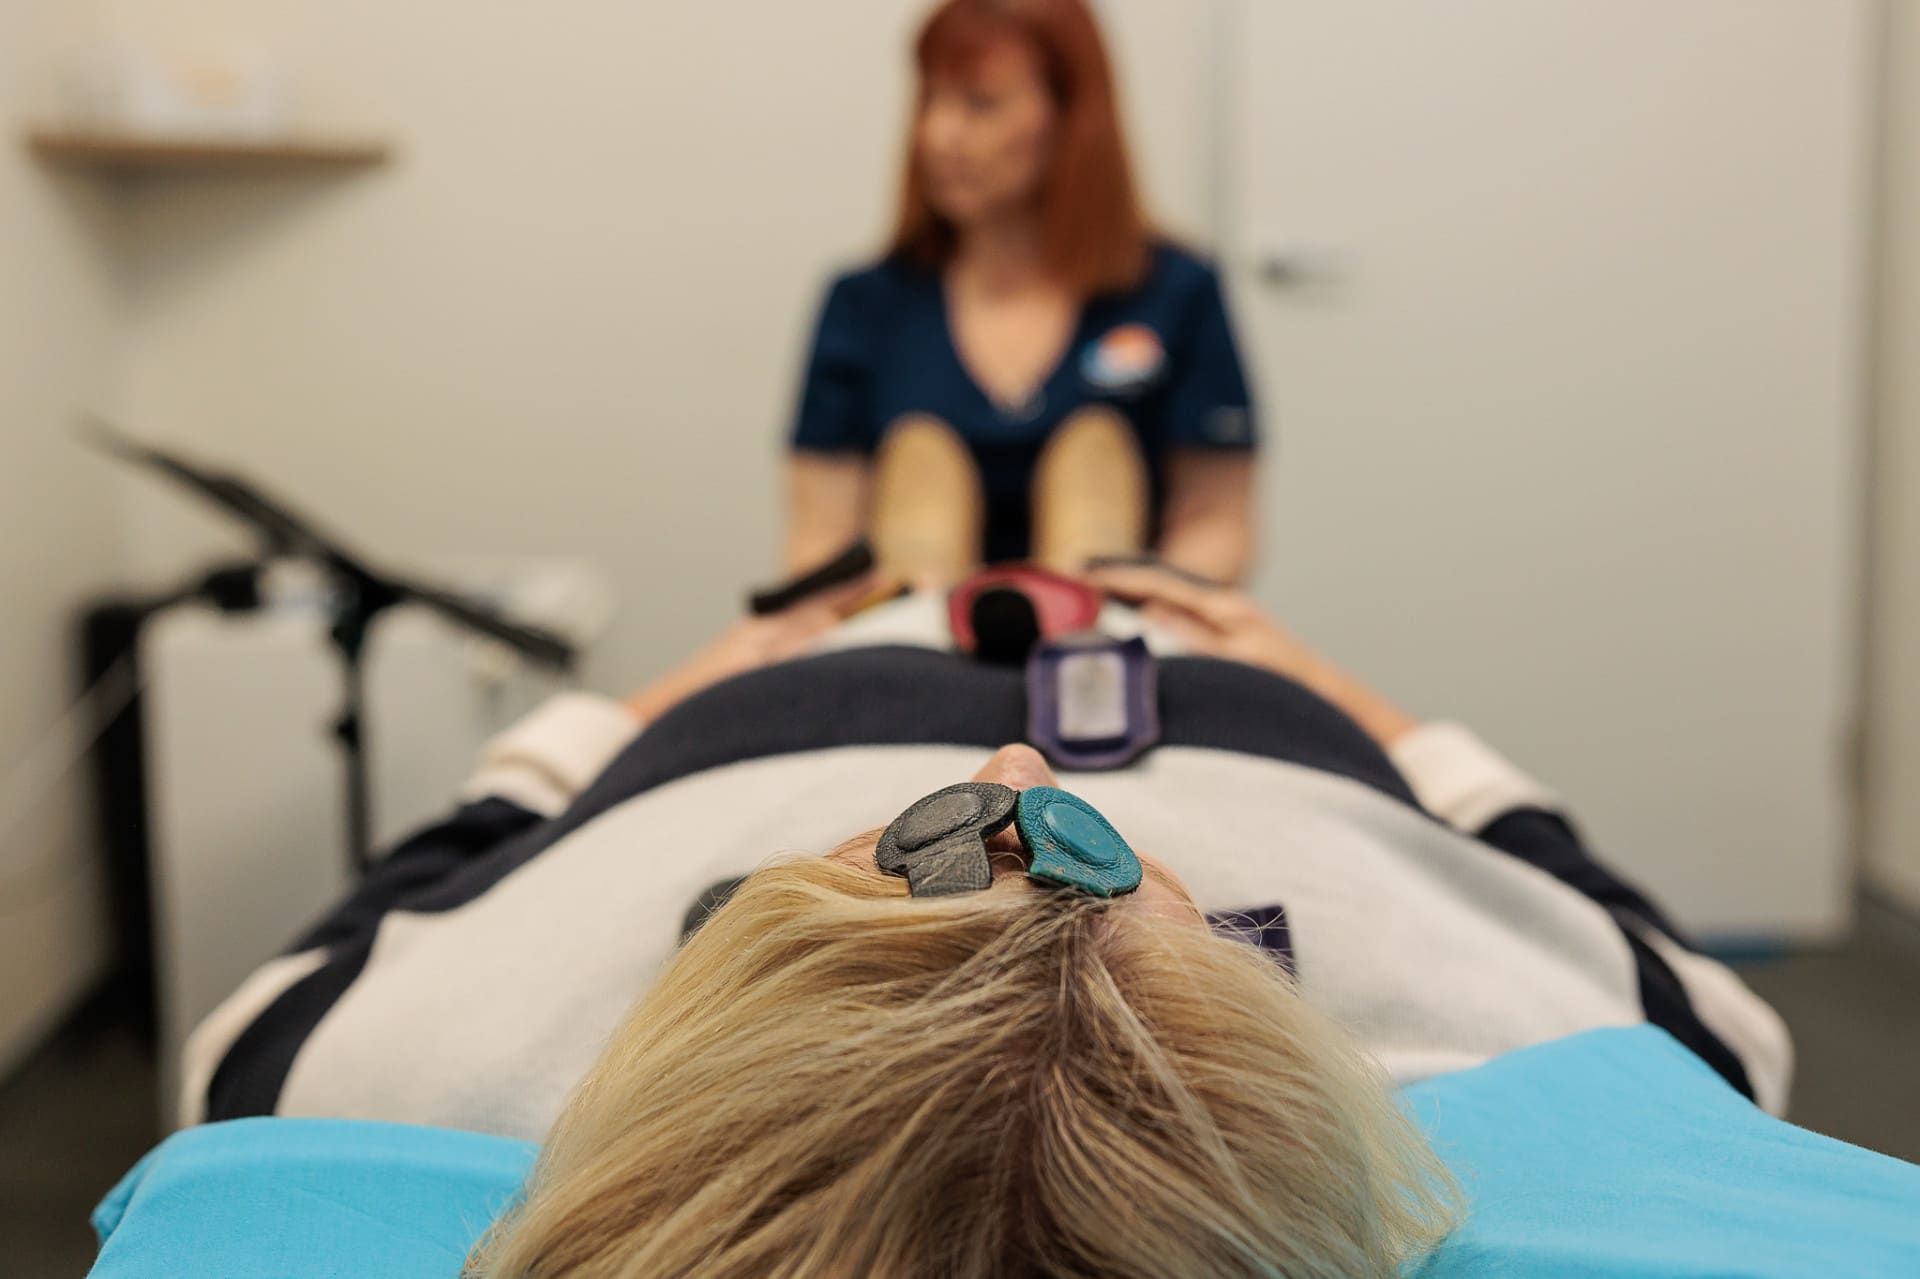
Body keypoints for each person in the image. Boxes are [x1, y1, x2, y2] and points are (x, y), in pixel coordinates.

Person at [181, 424, 1789, 1274]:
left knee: (899, 563)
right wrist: (1344, 694)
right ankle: (1091, 559)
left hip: (782, 702)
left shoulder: (402, 1069)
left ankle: (922, 569)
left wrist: (646, 703)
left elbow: (378, 912)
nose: (1005, 767)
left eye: (932, 850)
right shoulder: (1541, 1044)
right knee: (1119, 563)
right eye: (1093, 852)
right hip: (1222, 701)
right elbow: (1652, 950)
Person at [783, 0, 1261, 587]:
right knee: (918, 474)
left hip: (1112, 633)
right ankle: (923, 583)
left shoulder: (1178, 292)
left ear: (1070, 118)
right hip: (912, 643)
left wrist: (1150, 593)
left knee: (1094, 474)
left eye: (980, 105)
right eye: (930, 101)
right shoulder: (863, 305)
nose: (940, 135)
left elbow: (1216, 522)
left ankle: (1083, 582)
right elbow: (818, 539)